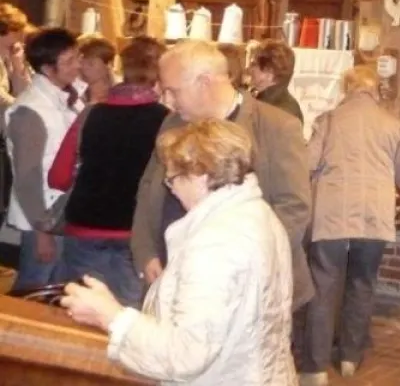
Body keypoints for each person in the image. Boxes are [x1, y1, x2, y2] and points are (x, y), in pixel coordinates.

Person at [61, 119, 297, 385]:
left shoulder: (216, 243)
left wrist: (112, 317)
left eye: (173, 179)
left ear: (200, 175)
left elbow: (188, 354)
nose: (169, 187)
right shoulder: (258, 215)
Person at [131, 40, 313, 314]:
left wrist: (233, 266)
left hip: (248, 291)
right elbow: (149, 191)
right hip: (175, 285)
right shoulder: (173, 124)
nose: (165, 101)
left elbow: (294, 209)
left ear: (204, 82)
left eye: (172, 91)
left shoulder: (277, 127)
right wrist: (146, 253)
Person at [301, 65, 400, 385]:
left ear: (347, 89)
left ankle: (314, 366)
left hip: (331, 216)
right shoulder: (390, 124)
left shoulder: (327, 121)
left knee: (323, 286)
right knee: (362, 284)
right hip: (373, 217)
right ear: (374, 90)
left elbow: (307, 163)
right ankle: (350, 358)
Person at [49, 36, 169, 306]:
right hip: (136, 234)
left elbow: (58, 177)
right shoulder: (167, 121)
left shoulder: (91, 114)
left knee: (78, 317)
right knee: (124, 325)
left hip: (85, 227)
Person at [5, 27, 82, 290]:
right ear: (48, 69)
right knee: (35, 288)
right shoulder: (30, 110)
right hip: (44, 216)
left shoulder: (64, 99)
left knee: (52, 287)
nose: (77, 66)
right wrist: (42, 233)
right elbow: (28, 176)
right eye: (69, 61)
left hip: (60, 213)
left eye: (77, 57)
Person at [248, 39, 304, 124]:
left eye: (254, 65)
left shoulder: (279, 110)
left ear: (269, 73)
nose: (249, 69)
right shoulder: (266, 100)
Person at [0, 2, 31, 103]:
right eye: (16, 32)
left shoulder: (9, 58)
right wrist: (19, 108)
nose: (19, 38)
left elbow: (26, 93)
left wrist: (18, 67)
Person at [77, 35, 117, 105]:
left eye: (90, 63)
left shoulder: (122, 94)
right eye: (81, 62)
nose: (83, 67)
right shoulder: (74, 94)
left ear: (108, 65)